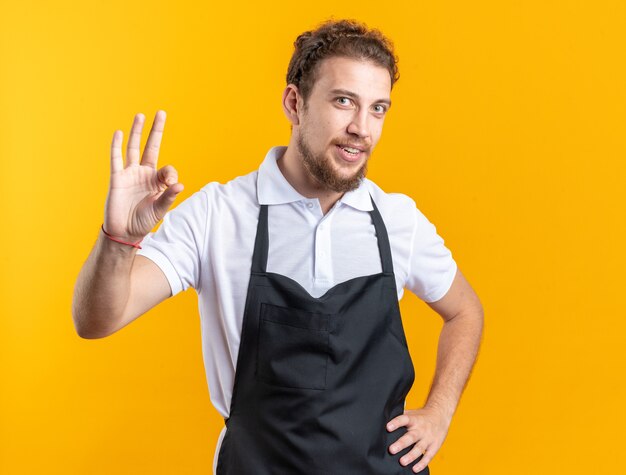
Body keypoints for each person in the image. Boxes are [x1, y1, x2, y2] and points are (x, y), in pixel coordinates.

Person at [73, 18, 484, 474]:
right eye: (344, 101)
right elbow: (96, 320)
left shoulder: (397, 220)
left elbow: (465, 311)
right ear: (295, 103)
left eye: (378, 108)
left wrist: (440, 410)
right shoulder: (218, 214)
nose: (361, 128)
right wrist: (120, 239)